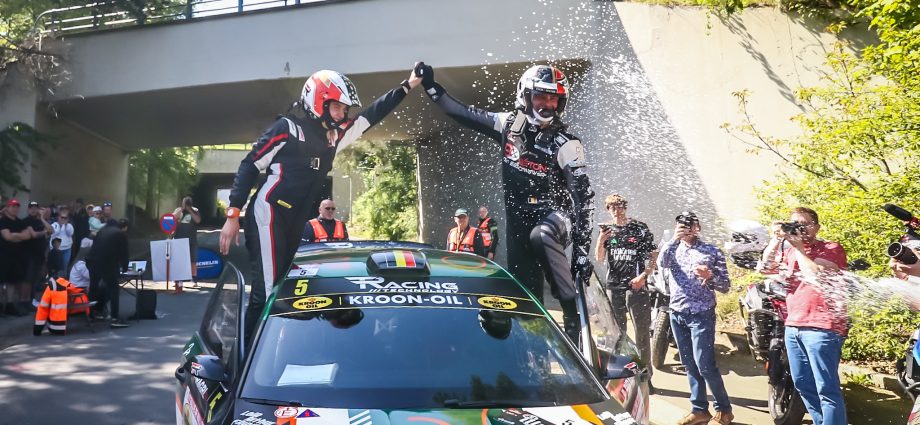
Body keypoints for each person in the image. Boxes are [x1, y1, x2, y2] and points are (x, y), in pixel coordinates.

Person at [220, 67, 422, 342]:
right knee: (267, 291)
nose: (342, 114)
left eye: (344, 109)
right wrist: (233, 214)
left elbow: (371, 115)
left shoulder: (334, 138)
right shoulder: (287, 128)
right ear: (318, 101)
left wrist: (408, 84)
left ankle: (281, 345)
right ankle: (248, 358)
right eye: (337, 107)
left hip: (295, 218)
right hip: (269, 212)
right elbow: (250, 165)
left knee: (285, 286)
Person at [417, 63, 594, 342]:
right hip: (518, 223)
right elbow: (462, 113)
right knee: (525, 303)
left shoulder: (568, 144)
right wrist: (430, 86)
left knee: (541, 235)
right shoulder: (508, 124)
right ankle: (534, 350)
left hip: (555, 217)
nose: (548, 104)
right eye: (541, 96)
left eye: (554, 99)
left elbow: (584, 200)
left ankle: (574, 321)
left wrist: (582, 252)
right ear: (526, 95)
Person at [758, 207, 848, 425]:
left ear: (816, 227)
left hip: (822, 328)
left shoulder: (831, 248)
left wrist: (798, 248)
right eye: (794, 224)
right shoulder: (789, 251)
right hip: (794, 325)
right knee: (803, 385)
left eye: (804, 224)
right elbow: (764, 267)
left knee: (826, 388)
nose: (799, 228)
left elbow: (815, 275)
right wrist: (775, 240)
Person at [657, 211, 733, 425]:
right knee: (689, 364)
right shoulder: (672, 248)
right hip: (677, 312)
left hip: (701, 314)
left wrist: (710, 276)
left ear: (698, 227)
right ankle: (699, 410)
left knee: (705, 364)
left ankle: (724, 410)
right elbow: (662, 263)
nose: (687, 228)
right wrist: (674, 238)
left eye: (691, 224)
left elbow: (725, 286)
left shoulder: (711, 251)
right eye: (682, 224)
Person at [594, 194, 657, 372]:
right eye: (612, 207)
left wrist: (643, 277)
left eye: (620, 206)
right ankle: (622, 371)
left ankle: (645, 373)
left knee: (642, 333)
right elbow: (599, 258)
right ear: (608, 209)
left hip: (636, 286)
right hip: (614, 287)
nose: (617, 210)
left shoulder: (639, 228)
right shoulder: (606, 229)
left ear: (625, 207)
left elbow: (654, 255)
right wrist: (600, 240)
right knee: (617, 333)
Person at [87, 219, 130, 328]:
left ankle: (91, 314)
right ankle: (115, 318)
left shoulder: (101, 231)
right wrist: (125, 267)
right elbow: (124, 253)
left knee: (93, 288)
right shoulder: (120, 234)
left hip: (92, 262)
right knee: (114, 289)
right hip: (108, 264)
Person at [0, 199, 37, 316]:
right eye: (12, 206)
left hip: (16, 257)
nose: (15, 209)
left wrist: (15, 235)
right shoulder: (3, 221)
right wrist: (18, 236)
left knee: (12, 282)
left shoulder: (20, 222)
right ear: (7, 208)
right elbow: (7, 237)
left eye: (17, 207)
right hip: (3, 256)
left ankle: (9, 306)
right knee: (2, 282)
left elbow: (27, 236)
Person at [23, 202, 51, 301]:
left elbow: (51, 230)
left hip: (40, 255)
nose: (33, 210)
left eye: (35, 208)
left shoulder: (40, 221)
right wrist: (44, 232)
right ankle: (25, 300)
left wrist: (42, 218)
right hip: (29, 256)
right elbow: (34, 235)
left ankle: (31, 299)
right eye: (31, 208)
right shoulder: (25, 221)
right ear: (28, 209)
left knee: (35, 279)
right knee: (28, 279)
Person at [173, 196, 201, 292]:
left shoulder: (195, 210)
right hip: (179, 238)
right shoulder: (178, 210)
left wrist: (190, 210)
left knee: (193, 260)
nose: (186, 205)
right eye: (185, 203)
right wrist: (181, 209)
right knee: (178, 261)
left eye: (188, 203)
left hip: (191, 239)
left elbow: (198, 220)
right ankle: (178, 280)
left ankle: (193, 279)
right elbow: (172, 218)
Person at [49, 207, 74, 274]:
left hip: (67, 249)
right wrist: (60, 225)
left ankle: (62, 279)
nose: (63, 219)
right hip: (56, 250)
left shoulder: (69, 225)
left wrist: (66, 224)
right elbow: (54, 233)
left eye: (65, 218)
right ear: (58, 217)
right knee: (55, 268)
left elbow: (70, 233)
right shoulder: (54, 224)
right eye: (62, 217)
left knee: (64, 268)